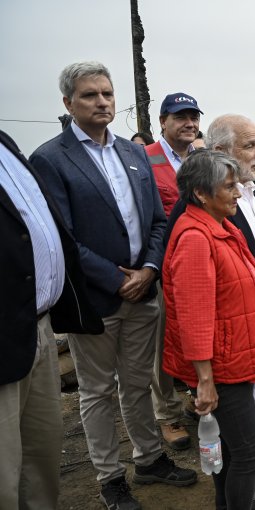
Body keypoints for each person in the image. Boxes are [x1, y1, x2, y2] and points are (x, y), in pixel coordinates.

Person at [29, 61, 196, 509]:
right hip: (94, 298)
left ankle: (150, 458)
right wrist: (115, 278)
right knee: (98, 391)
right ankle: (109, 478)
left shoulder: (132, 152)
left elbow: (158, 220)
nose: (102, 101)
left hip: (144, 290)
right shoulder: (49, 158)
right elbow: (61, 237)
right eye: (89, 95)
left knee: (138, 383)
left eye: (106, 93)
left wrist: (149, 271)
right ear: (68, 103)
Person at [164, 114, 255, 491]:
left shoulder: (237, 205)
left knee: (250, 437)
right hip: (224, 354)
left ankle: (249, 485)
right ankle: (245, 492)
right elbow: (195, 312)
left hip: (248, 334)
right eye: (251, 145)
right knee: (242, 446)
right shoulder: (196, 230)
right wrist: (204, 378)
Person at [0, 128, 104, 510]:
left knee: (41, 456)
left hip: (38, 327)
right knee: (3, 475)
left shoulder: (6, 143)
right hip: (4, 335)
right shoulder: (49, 154)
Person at [143, 92, 203, 451]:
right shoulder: (143, 158)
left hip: (199, 268)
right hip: (163, 268)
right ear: (163, 121)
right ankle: (167, 414)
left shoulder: (203, 158)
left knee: (197, 337)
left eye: (194, 117)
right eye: (181, 117)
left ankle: (200, 398)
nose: (189, 123)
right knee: (163, 343)